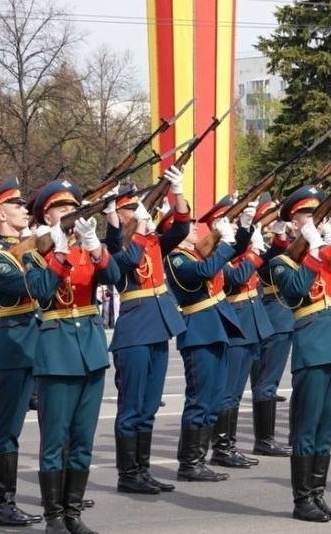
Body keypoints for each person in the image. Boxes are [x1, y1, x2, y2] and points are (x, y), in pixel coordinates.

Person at [24, 179, 121, 534]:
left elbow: (114, 277)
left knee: (83, 439)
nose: (68, 213)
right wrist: (60, 253)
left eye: (71, 208)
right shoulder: (36, 252)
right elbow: (40, 291)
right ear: (46, 214)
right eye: (61, 209)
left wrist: (97, 248)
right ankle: (53, 518)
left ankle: (73, 513)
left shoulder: (84, 249)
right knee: (55, 441)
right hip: (57, 353)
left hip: (91, 352)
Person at [268, 184, 331, 522]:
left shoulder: (327, 249)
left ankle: (318, 493)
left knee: (326, 426)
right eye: (305, 216)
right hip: (313, 345)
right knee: (306, 427)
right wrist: (311, 247)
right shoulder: (280, 261)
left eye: (315, 214)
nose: (311, 220)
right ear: (294, 224)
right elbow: (295, 290)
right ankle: (302, 499)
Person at [103, 169, 188, 495]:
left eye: (140, 206)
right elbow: (114, 244)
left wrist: (176, 191)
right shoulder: (119, 245)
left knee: (149, 407)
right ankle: (128, 475)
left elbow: (181, 228)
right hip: (135, 331)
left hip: (159, 327)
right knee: (132, 407)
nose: (140, 211)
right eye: (132, 208)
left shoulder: (151, 240)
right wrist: (112, 213)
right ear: (121, 214)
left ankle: (143, 471)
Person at [0, 178, 43, 527]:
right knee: (4, 430)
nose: (25, 209)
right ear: (1, 213)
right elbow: (28, 286)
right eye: (18, 205)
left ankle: (54, 493)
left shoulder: (24, 249)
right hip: (11, 350)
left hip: (34, 348)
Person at [164, 200, 245, 482]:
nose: (192, 229)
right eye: (184, 226)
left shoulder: (198, 253)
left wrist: (242, 229)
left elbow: (224, 260)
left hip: (216, 327)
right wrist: (224, 244)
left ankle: (200, 458)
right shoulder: (176, 257)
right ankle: (189, 463)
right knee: (199, 399)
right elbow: (203, 273)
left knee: (214, 398)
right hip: (198, 330)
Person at [212, 198, 269, 470]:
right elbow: (234, 280)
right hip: (236, 321)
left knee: (236, 390)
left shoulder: (236, 248)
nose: (236, 229)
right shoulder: (216, 252)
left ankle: (229, 445)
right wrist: (254, 253)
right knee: (229, 391)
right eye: (233, 222)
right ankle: (222, 447)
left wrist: (251, 236)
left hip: (251, 321)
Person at [251, 195, 294, 457]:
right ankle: (264, 440)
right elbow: (272, 266)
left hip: (277, 313)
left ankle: (264, 438)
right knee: (266, 382)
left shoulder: (271, 243)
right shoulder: (259, 246)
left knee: (268, 381)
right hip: (274, 315)